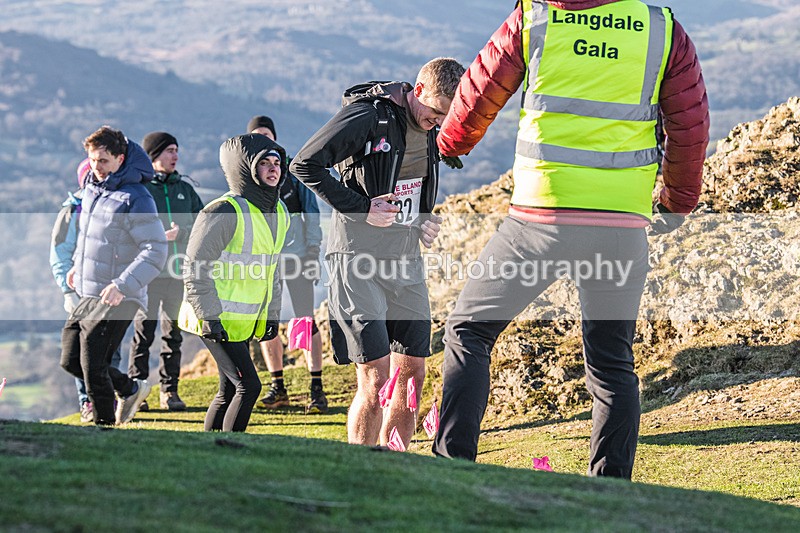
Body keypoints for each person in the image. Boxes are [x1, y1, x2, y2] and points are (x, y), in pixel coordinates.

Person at [432, 0, 709, 479]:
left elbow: (479, 90)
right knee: (610, 360)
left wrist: (451, 144)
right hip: (621, 225)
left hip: (541, 217)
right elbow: (690, 124)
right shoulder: (662, 28)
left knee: (469, 331)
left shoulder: (534, 17)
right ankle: (610, 486)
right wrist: (677, 199)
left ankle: (452, 469)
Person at [290, 57, 466, 447]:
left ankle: (393, 466)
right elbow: (303, 165)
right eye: (435, 111)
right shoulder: (370, 116)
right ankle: (361, 466)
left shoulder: (433, 124)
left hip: (405, 260)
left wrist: (422, 219)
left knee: (412, 374)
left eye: (446, 115)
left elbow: (412, 183)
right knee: (376, 378)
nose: (438, 121)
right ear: (417, 91)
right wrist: (362, 208)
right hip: (356, 258)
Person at [179, 134, 290, 432]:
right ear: (245, 169)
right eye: (263, 163)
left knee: (229, 389)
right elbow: (195, 268)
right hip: (214, 317)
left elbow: (271, 271)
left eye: (277, 162)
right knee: (249, 387)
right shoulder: (223, 211)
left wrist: (271, 316)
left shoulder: (279, 212)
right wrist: (209, 317)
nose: (273, 169)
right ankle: (232, 450)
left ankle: (212, 452)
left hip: (240, 320)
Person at [60, 126, 168, 426]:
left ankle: (104, 427)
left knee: (94, 366)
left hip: (120, 294)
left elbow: (156, 250)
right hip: (89, 291)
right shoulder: (93, 188)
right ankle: (129, 388)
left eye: (103, 161)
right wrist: (77, 268)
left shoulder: (136, 198)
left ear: (121, 159)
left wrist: (123, 284)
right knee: (70, 360)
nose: (96, 167)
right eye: (93, 160)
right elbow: (94, 239)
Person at [247, 115, 327, 414]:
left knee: (305, 321)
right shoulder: (249, 180)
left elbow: (312, 214)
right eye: (257, 137)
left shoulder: (293, 172)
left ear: (276, 138)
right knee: (267, 325)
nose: (264, 141)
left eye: (267, 135)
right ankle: (278, 388)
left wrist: (313, 253)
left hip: (297, 257)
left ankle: (316, 388)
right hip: (265, 264)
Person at [128, 132, 204, 412]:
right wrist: (157, 235)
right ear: (154, 155)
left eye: (176, 150)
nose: (175, 156)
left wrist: (181, 231)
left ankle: (169, 391)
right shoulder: (142, 190)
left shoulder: (185, 189)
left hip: (177, 274)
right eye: (170, 151)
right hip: (147, 275)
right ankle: (136, 391)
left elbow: (202, 224)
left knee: (173, 334)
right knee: (143, 334)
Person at [49, 158, 122, 423]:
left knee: (109, 350)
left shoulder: (114, 204)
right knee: (83, 351)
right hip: (80, 291)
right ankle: (89, 402)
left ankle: (110, 398)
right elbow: (59, 253)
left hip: (111, 290)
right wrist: (67, 292)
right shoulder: (73, 210)